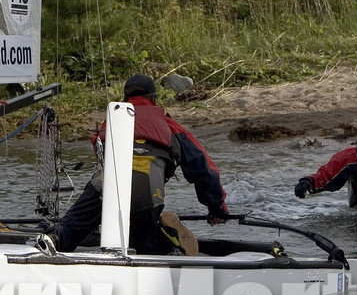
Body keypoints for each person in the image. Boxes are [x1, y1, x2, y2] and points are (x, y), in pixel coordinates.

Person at [55, 74, 229, 254]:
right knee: (142, 246)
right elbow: (204, 169)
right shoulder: (170, 126)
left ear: (124, 100)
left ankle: (51, 243)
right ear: (154, 99)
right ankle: (166, 233)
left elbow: (100, 155)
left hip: (104, 185)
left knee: (68, 231)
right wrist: (217, 208)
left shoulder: (109, 123)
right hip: (148, 188)